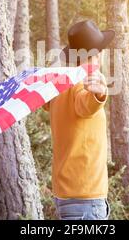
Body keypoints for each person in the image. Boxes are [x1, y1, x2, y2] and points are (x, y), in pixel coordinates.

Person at [43, 20, 115, 220]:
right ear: (98, 54)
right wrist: (99, 94)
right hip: (85, 201)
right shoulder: (83, 84)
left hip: (67, 195)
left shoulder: (60, 86)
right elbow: (85, 105)